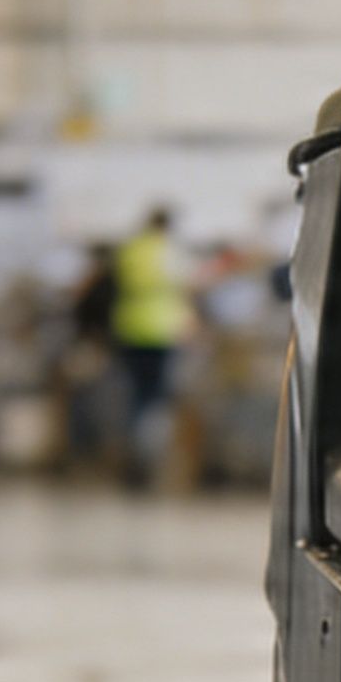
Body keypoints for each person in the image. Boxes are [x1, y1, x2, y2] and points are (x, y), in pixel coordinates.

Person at [109, 207, 187, 492]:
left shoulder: (131, 249)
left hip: (129, 330)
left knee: (135, 398)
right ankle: (149, 460)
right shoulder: (168, 250)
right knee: (156, 399)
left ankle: (132, 456)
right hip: (160, 333)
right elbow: (183, 285)